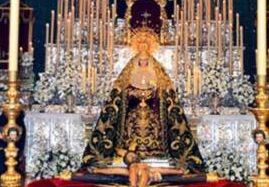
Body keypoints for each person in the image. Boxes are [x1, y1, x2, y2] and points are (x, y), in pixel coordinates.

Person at [82, 27, 203, 172]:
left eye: (146, 44)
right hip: (133, 109)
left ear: (150, 47)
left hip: (152, 109)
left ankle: (156, 155)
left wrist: (155, 92)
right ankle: (128, 155)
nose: (143, 47)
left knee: (155, 126)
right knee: (130, 127)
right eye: (140, 44)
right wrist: (131, 92)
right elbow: (120, 90)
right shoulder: (130, 67)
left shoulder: (157, 68)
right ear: (137, 46)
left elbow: (165, 90)